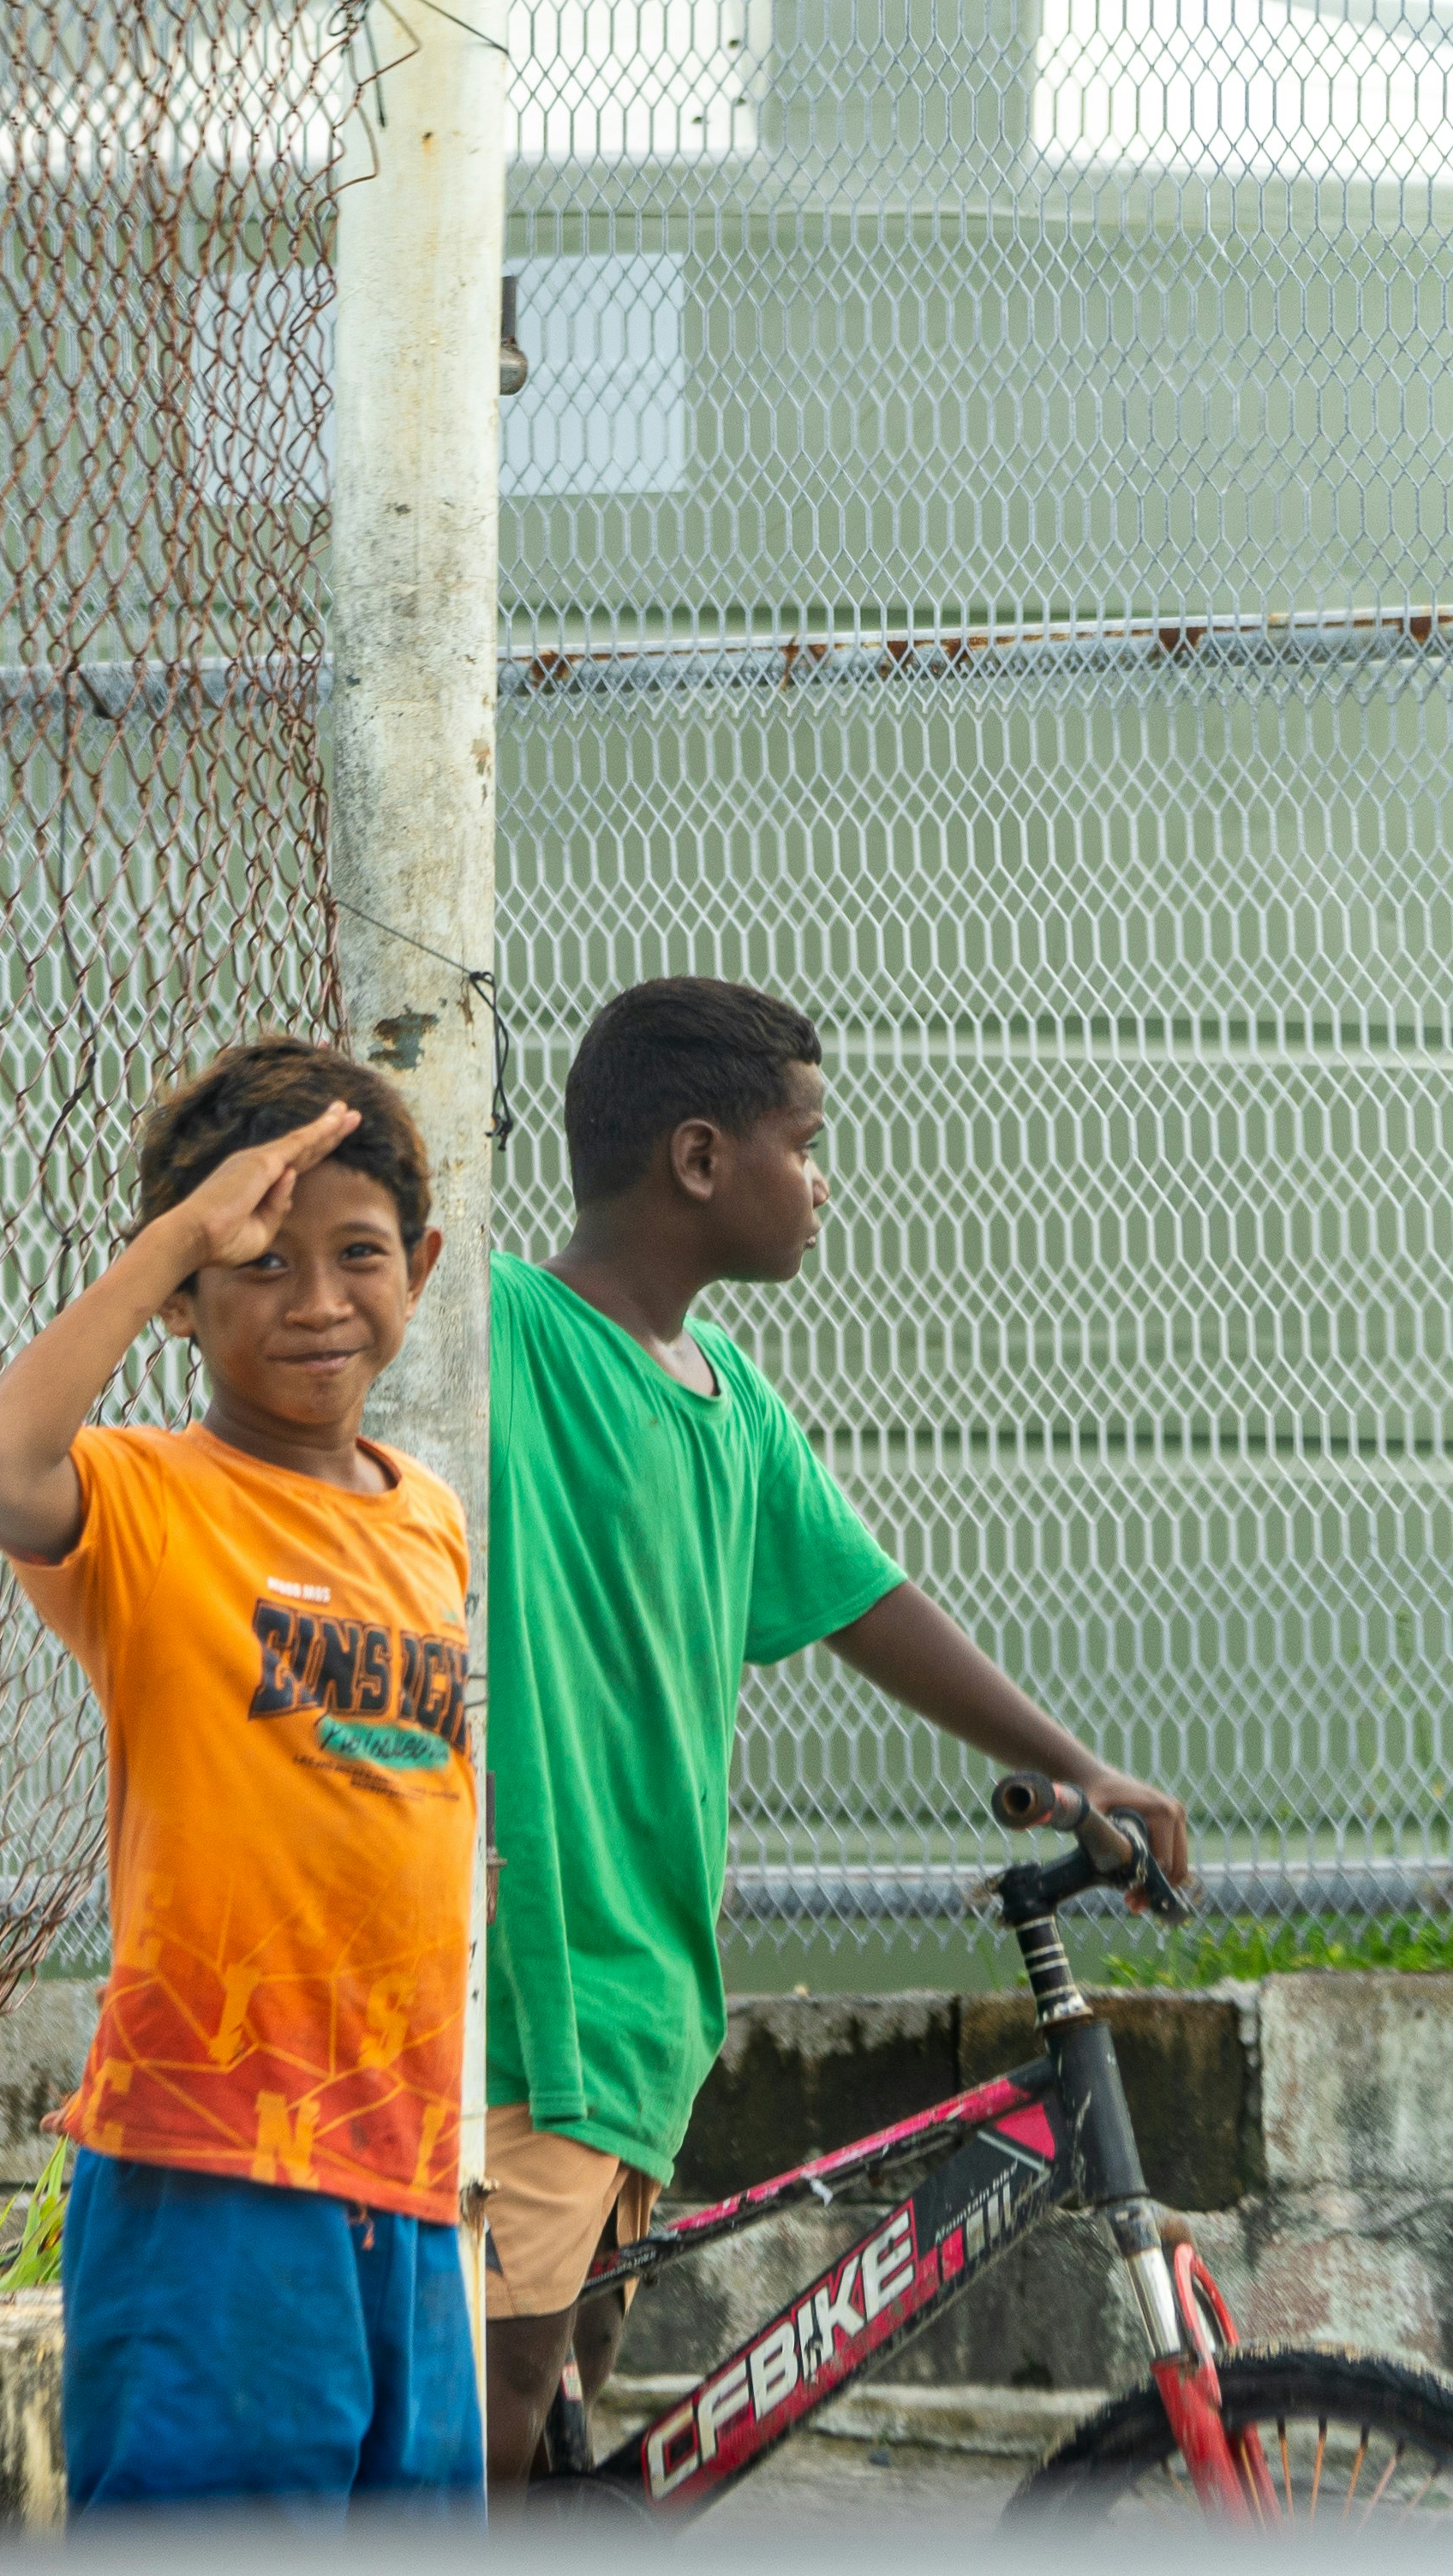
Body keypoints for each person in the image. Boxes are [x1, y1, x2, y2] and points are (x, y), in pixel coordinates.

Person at [481, 978, 1190, 2488]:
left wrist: (1079, 1766)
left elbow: (867, 1600)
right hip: (532, 1989)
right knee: (491, 2406)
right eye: (804, 1144)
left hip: (649, 1996)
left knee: (571, 2421)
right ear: (697, 1158)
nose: (823, 1182)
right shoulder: (509, 1335)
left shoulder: (732, 1400)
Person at [0, 1039, 481, 2516]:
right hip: (213, 2167)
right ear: (182, 1294)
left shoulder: (430, 1516)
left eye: (358, 1254)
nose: (317, 1301)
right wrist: (180, 1230)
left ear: (422, 1267)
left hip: (409, 2170)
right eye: (259, 1263)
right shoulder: (145, 1495)